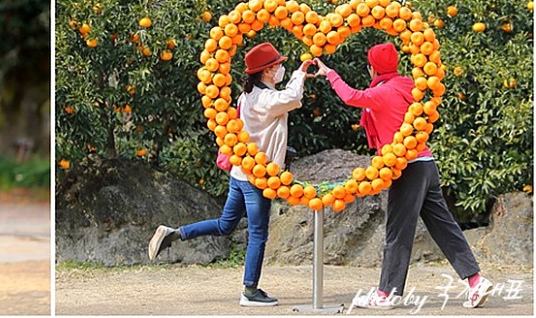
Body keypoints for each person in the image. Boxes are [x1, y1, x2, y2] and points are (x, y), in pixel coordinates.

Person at [314, 43, 493, 309]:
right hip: (426, 164)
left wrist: (330, 73)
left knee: (397, 231)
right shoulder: (407, 85)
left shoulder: (383, 92)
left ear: (373, 67)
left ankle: (387, 293)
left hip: (407, 167)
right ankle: (476, 281)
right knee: (443, 226)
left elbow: (351, 96)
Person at [147, 42, 311, 307]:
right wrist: (300, 73)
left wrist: (296, 74)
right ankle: (250, 290)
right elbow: (291, 98)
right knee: (258, 233)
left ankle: (175, 234)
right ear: (268, 71)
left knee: (226, 225)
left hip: (239, 173)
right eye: (278, 65)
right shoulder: (265, 99)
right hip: (257, 177)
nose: (281, 68)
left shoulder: (248, 95)